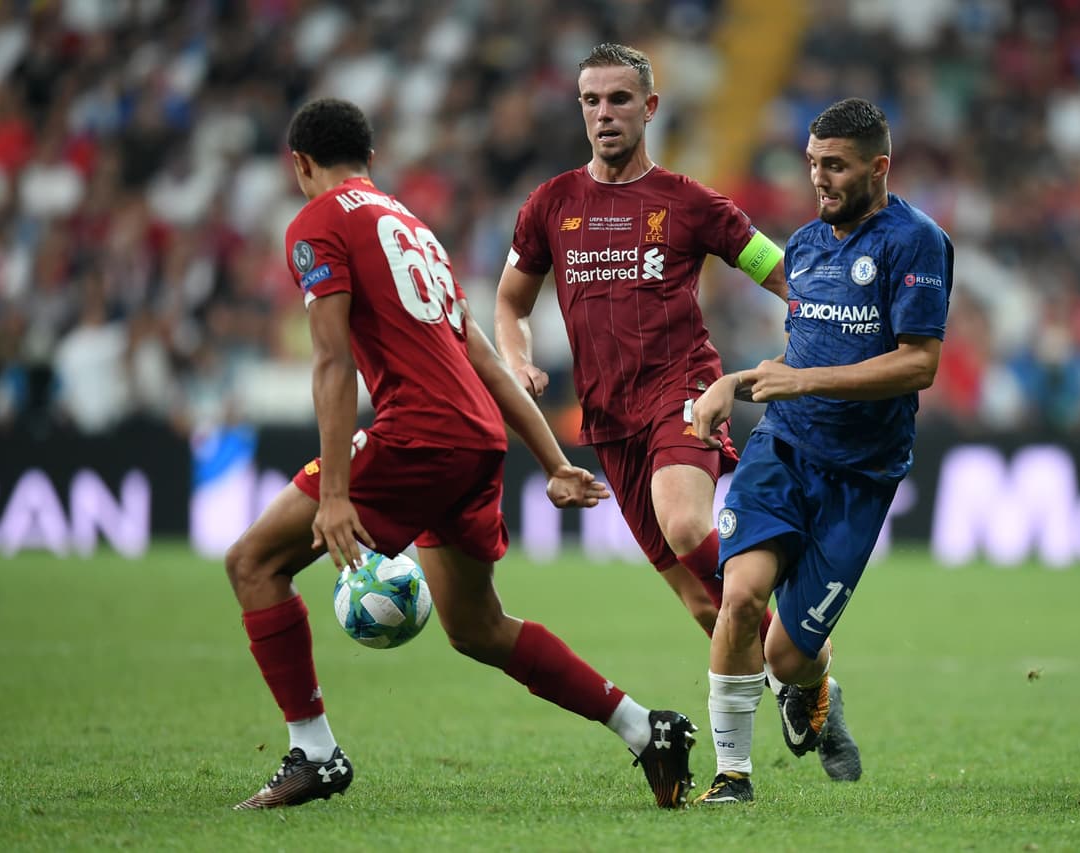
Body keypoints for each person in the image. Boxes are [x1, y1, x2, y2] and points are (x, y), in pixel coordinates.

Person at [225, 98, 697, 811]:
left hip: (418, 434)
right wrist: (551, 460)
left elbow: (330, 363)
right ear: (373, 160)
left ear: (300, 165)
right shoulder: (413, 228)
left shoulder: (316, 223)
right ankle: (646, 729)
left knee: (253, 562)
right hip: (478, 439)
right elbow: (480, 353)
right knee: (476, 626)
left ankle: (314, 753)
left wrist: (334, 493)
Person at [690, 98, 953, 804]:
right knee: (740, 599)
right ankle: (732, 776)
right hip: (782, 447)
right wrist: (735, 382)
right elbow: (802, 354)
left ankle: (816, 692)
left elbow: (918, 363)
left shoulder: (917, 242)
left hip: (859, 476)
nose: (820, 179)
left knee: (784, 654)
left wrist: (797, 377)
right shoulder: (805, 245)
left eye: (834, 166)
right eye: (813, 164)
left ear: (879, 166)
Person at [493, 43, 788, 649]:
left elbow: (777, 270)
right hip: (609, 417)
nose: (605, 113)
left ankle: (795, 648)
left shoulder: (691, 202)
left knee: (685, 524)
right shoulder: (550, 206)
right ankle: (805, 675)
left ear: (649, 107)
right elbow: (510, 302)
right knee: (704, 608)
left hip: (683, 389)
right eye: (592, 101)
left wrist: (826, 328)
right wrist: (516, 357)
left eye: (619, 99)